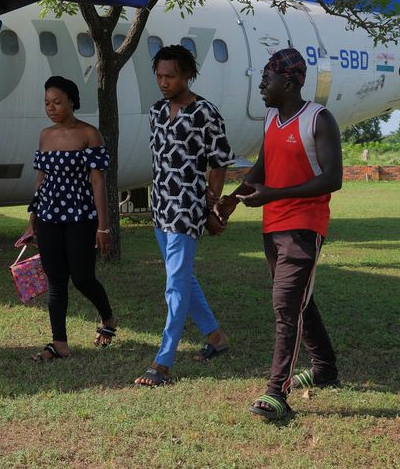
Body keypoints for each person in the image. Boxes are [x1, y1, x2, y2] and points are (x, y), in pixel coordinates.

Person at [216, 47, 342, 420]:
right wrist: (233, 200)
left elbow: (332, 179)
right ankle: (324, 368)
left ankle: (276, 392)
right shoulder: (272, 117)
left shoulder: (319, 119)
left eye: (266, 80)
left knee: (286, 304)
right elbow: (264, 164)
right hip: (273, 225)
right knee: (300, 298)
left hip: (305, 224)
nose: (260, 86)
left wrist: (277, 193)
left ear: (288, 82)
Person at [134, 45, 233, 387]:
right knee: (183, 277)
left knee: (175, 285)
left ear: (187, 74)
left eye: (171, 76)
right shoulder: (157, 112)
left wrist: (212, 203)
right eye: (159, 75)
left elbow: (219, 161)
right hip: (160, 206)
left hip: (186, 210)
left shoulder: (205, 112)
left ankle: (162, 363)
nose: (164, 82)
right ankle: (216, 336)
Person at [19, 76, 117, 361]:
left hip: (81, 216)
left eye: (57, 102)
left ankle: (108, 319)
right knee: (56, 280)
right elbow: (41, 179)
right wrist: (32, 219)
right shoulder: (45, 135)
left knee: (83, 277)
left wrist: (103, 226)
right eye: (47, 103)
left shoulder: (90, 134)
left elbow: (99, 183)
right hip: (49, 216)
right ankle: (59, 343)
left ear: (72, 102)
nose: (51, 108)